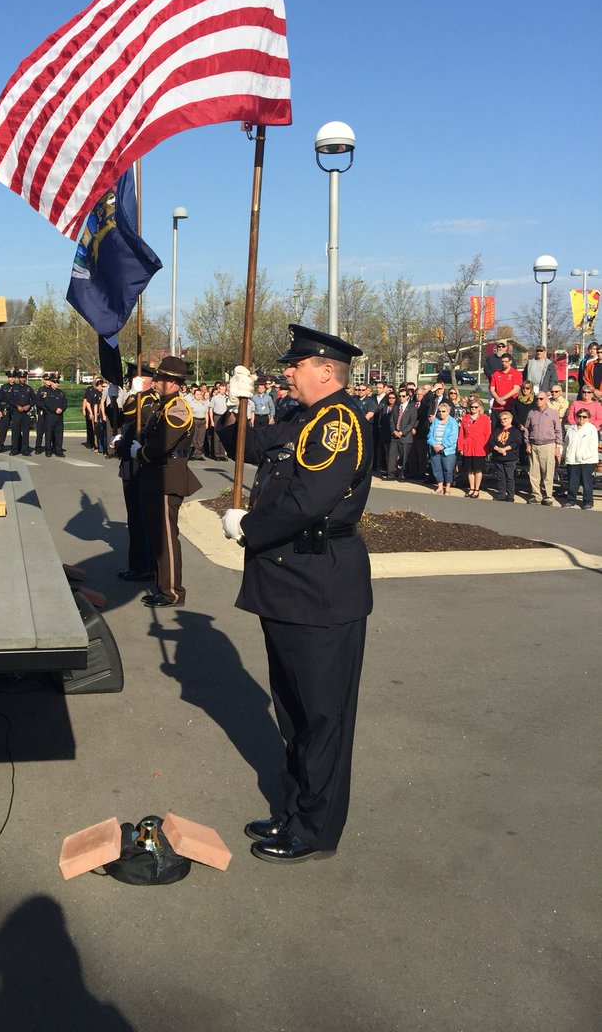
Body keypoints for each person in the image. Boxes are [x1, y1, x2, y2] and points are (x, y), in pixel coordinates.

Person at [219, 325, 372, 864]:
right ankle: (294, 806)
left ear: (325, 371)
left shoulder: (339, 423)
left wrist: (250, 526)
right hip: (287, 584)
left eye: (296, 364)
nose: (286, 371)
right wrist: (232, 405)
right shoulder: (298, 418)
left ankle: (315, 827)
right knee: (292, 712)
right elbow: (244, 445)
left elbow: (309, 500)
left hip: (320, 582)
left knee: (322, 715)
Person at [134, 356, 200, 607]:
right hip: (158, 476)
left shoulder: (177, 408)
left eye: (161, 377)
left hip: (167, 476)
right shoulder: (163, 405)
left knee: (166, 537)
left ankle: (172, 591)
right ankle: (163, 587)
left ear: (173, 383)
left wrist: (140, 453)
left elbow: (162, 444)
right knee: (158, 534)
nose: (157, 381)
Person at [113, 368, 155, 580]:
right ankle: (138, 565)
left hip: (140, 465)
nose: (131, 381)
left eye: (135, 378)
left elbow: (131, 414)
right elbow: (120, 418)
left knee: (140, 518)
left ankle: (145, 566)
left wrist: (132, 395)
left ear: (145, 380)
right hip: (130, 463)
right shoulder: (139, 397)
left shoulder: (148, 399)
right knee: (135, 518)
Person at [523, 391, 562, 505]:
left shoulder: (553, 413)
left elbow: (558, 430)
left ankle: (548, 496)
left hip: (548, 445)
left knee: (548, 472)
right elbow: (527, 429)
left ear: (546, 400)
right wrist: (527, 443)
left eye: (541, 399)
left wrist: (558, 446)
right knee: (534, 472)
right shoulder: (532, 413)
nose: (538, 401)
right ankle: (536, 495)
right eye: (537, 399)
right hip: (534, 444)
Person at [561, 410, 599, 509]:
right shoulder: (571, 428)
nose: (581, 419)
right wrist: (564, 454)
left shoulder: (591, 429)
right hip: (572, 460)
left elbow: (593, 445)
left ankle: (588, 502)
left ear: (588, 418)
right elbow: (566, 442)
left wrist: (583, 455)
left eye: (584, 417)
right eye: (579, 416)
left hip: (586, 460)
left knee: (586, 483)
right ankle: (571, 500)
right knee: (573, 482)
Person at [457, 396, 492, 496]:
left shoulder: (485, 419)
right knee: (470, 469)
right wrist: (461, 447)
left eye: (476, 407)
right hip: (468, 445)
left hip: (480, 446)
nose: (473, 409)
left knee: (478, 469)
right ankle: (471, 488)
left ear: (480, 408)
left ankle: (477, 489)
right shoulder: (465, 418)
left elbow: (488, 434)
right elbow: (461, 434)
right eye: (472, 406)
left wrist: (487, 448)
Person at [488, 409, 522, 501]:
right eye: (502, 419)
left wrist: (505, 449)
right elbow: (491, 441)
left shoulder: (515, 431)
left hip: (510, 457)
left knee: (509, 477)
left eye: (505, 419)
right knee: (500, 476)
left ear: (510, 419)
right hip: (498, 457)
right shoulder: (497, 430)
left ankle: (510, 495)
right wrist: (498, 449)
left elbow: (517, 442)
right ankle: (501, 494)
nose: (503, 421)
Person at [384, 385, 417, 479]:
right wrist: (394, 431)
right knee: (392, 455)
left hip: (405, 437)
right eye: (400, 396)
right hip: (395, 436)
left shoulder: (412, 408)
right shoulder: (396, 407)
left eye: (403, 396)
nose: (401, 398)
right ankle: (391, 474)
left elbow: (411, 423)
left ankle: (402, 473)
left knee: (404, 457)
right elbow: (391, 420)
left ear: (407, 397)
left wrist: (402, 432)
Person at [427, 400, 459, 494]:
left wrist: (442, 446)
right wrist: (434, 444)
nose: (441, 413)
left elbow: (453, 437)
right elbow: (430, 435)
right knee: (437, 468)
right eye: (440, 411)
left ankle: (448, 487)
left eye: (443, 411)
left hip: (448, 450)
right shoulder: (435, 421)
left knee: (448, 469)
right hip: (435, 449)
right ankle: (440, 487)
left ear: (448, 412)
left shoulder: (453, 422)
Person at [489, 352, 523, 425]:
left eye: (506, 361)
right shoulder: (496, 374)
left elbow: (516, 389)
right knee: (495, 429)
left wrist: (503, 398)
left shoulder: (516, 374)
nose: (504, 363)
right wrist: (498, 398)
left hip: (510, 406)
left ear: (510, 362)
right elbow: (492, 389)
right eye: (502, 361)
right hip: (497, 406)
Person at [8, 371, 34, 456]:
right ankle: (14, 449)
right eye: (21, 377)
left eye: (24, 378)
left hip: (25, 413)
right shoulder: (13, 388)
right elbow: (9, 399)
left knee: (26, 432)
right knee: (15, 432)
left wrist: (29, 405)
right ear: (18, 378)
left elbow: (34, 399)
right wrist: (17, 406)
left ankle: (25, 450)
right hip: (17, 412)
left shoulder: (29, 388)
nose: (23, 379)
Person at [42, 373, 68, 457]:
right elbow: (46, 403)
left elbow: (65, 403)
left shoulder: (61, 393)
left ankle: (58, 450)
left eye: (57, 382)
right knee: (49, 434)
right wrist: (55, 409)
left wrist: (61, 409)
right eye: (55, 382)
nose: (56, 384)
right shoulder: (46, 392)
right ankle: (48, 450)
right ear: (51, 382)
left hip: (59, 416)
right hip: (50, 415)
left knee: (59, 434)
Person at [0, 369, 16, 451]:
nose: (12, 379)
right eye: (10, 377)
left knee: (16, 429)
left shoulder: (18, 387)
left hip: (15, 411)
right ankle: (0, 446)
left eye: (13, 377)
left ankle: (16, 446)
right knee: (3, 429)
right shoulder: (3, 387)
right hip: (5, 411)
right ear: (8, 378)